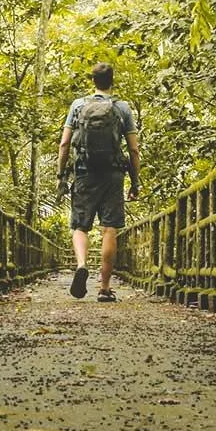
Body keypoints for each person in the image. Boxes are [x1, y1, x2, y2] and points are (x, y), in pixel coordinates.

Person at [56, 62, 141, 302]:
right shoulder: (122, 108)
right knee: (109, 228)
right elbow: (133, 150)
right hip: (113, 175)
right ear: (112, 81)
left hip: (84, 172)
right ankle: (104, 288)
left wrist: (61, 175)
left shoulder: (78, 105)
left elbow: (64, 144)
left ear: (93, 81)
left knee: (80, 226)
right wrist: (135, 182)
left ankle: (82, 264)